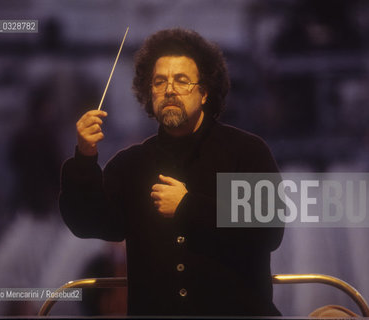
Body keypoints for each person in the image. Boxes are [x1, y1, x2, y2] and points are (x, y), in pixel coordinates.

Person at [60, 28, 284, 316]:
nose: (169, 89)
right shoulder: (131, 163)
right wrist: (84, 158)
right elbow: (88, 223)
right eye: (159, 81)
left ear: (204, 92)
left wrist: (189, 206)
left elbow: (269, 232)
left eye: (181, 81)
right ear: (148, 92)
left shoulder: (247, 151)